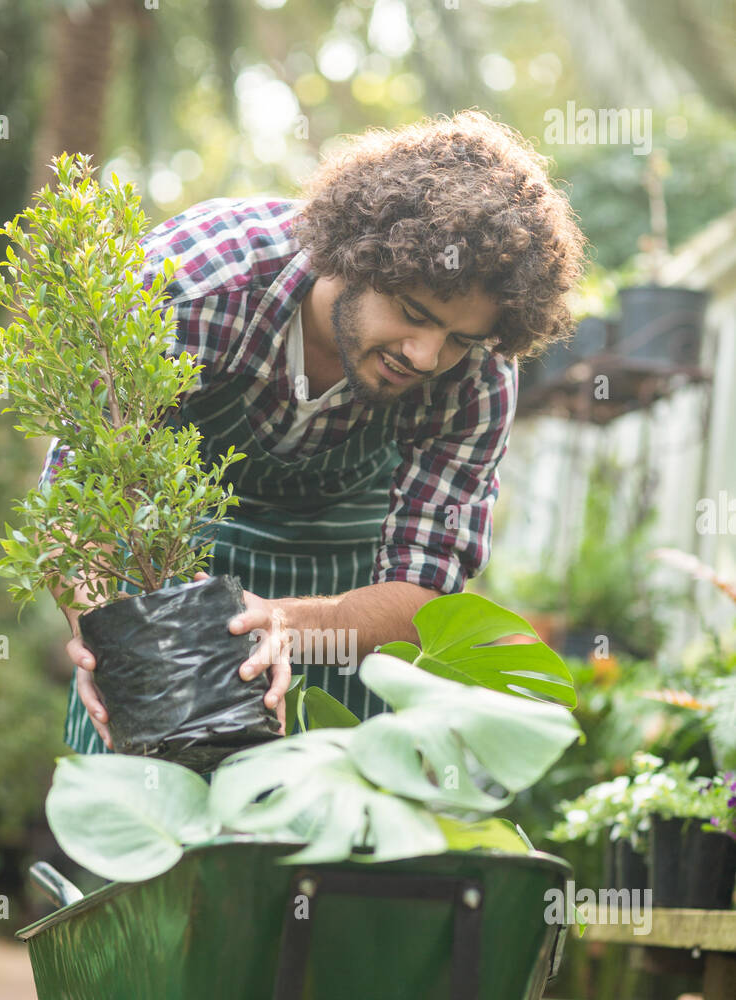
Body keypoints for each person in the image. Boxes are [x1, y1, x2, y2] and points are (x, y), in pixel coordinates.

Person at [43, 110, 586, 751]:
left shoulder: (478, 377)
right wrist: (111, 637)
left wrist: (283, 624)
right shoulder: (192, 287)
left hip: (351, 596)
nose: (424, 356)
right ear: (354, 255)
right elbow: (81, 503)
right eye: (414, 313)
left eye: (457, 338)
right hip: (170, 567)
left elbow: (426, 587)